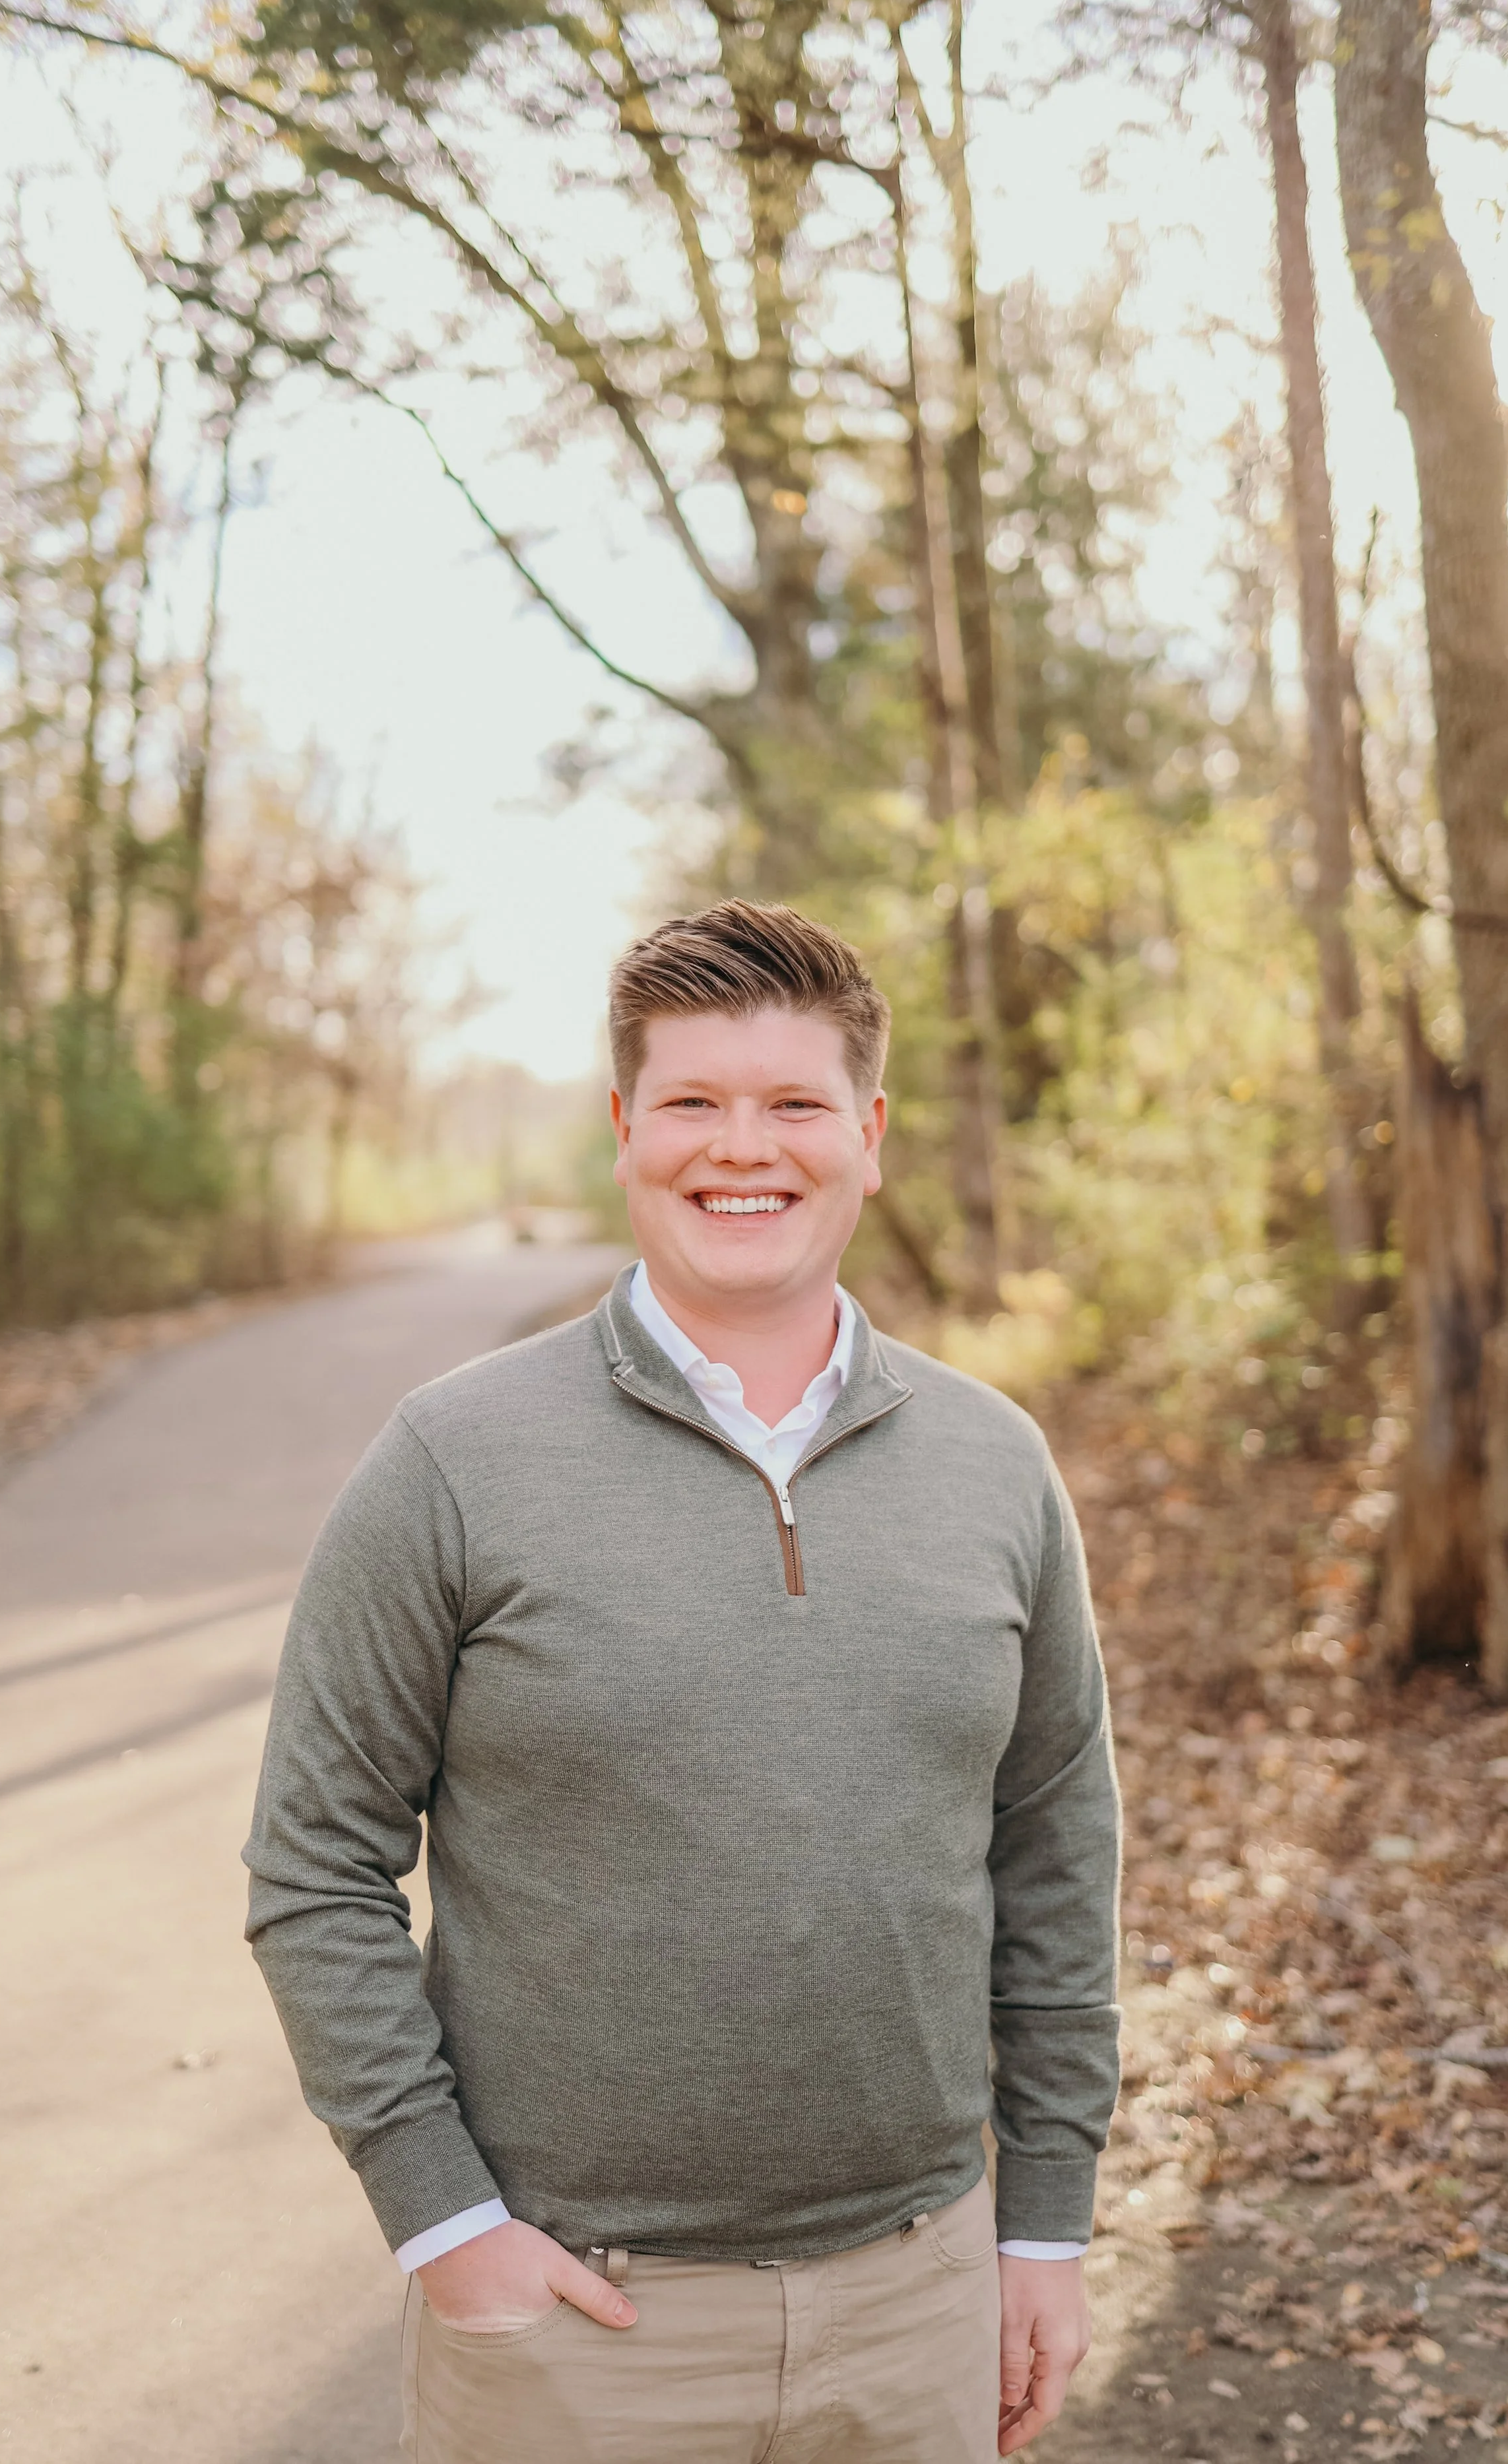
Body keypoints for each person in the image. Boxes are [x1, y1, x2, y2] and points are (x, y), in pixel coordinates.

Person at [244, 899, 1121, 2463]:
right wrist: (442, 2223)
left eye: (791, 1104)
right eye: (693, 1103)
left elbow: (1055, 1857)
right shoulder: (451, 1460)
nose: (743, 1148)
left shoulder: (995, 1464)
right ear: (621, 1129)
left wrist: (1040, 2230)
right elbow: (316, 1867)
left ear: (867, 1133)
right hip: (578, 2325)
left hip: (920, 2301)